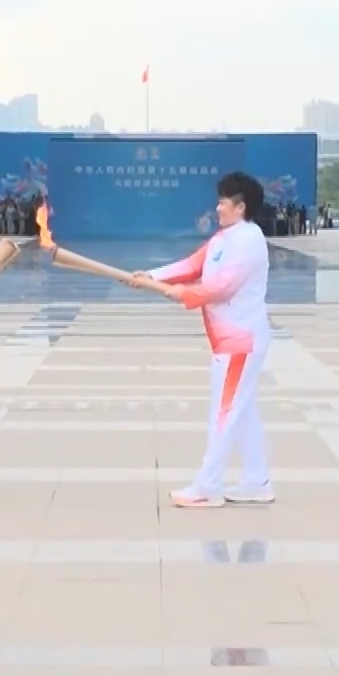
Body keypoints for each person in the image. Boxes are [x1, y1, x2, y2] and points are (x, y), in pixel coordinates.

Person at [130, 172, 273, 508]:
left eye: (223, 202)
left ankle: (208, 487)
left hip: (240, 341)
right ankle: (257, 481)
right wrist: (152, 276)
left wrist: (181, 293)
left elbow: (222, 287)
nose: (217, 207)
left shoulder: (250, 240)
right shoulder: (223, 238)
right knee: (242, 412)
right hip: (228, 341)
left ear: (240, 207)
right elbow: (193, 265)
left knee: (224, 412)